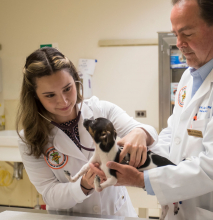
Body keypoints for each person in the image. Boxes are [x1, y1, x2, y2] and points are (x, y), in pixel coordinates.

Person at [90, 0, 213, 219]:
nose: (178, 43)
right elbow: (174, 136)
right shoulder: (190, 75)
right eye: (175, 33)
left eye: (187, 34)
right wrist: (137, 157)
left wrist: (142, 180)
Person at [16, 47, 158, 216]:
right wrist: (83, 184)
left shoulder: (101, 110)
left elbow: (149, 131)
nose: (64, 101)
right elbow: (50, 194)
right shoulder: (29, 138)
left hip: (117, 213)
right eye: (50, 95)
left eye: (67, 88)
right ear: (35, 97)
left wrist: (140, 133)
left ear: (76, 81)